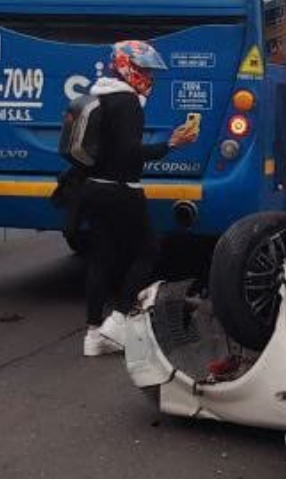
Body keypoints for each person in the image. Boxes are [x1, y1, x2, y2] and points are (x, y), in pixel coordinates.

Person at [81, 40, 199, 357]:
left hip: (93, 187)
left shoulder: (98, 95)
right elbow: (129, 153)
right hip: (123, 189)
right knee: (148, 250)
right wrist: (171, 144)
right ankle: (118, 321)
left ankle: (93, 334)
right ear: (126, 67)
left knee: (101, 257)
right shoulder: (128, 102)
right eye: (144, 69)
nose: (149, 77)